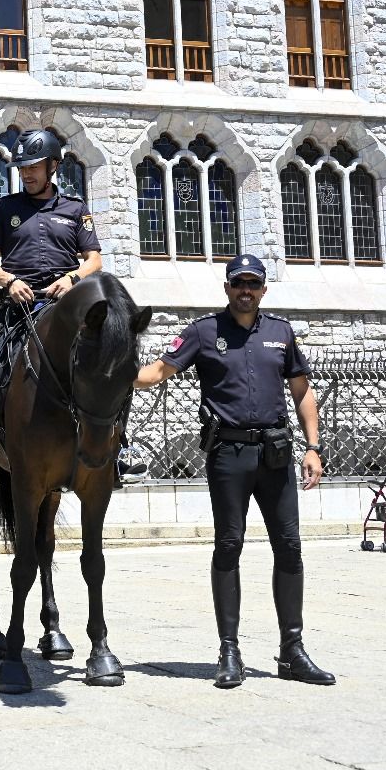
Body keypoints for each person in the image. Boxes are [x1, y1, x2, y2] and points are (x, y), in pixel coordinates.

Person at [133, 254, 335, 689]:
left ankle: (292, 651)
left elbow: (302, 391)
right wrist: (113, 373)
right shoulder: (203, 332)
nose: (246, 290)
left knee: (290, 546)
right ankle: (228, 650)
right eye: (239, 283)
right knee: (228, 545)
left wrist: (313, 447)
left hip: (276, 454)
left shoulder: (281, 333)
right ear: (227, 288)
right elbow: (158, 372)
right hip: (228, 453)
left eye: (254, 284)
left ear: (264, 289)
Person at [0, 128, 143, 496]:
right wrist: (9, 280)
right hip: (18, 306)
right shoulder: (4, 208)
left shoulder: (75, 209)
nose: (27, 173)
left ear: (53, 166)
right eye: (22, 167)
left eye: (34, 166)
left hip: (65, 309)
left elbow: (94, 259)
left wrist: (72, 277)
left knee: (111, 363)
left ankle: (120, 447)